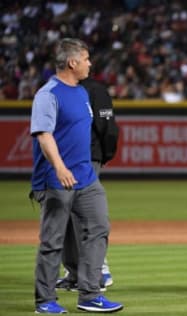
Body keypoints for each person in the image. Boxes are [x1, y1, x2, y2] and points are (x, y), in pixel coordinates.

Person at [30, 38, 123, 313]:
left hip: (86, 178)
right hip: (57, 179)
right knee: (53, 241)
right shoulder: (48, 94)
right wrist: (59, 167)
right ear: (72, 62)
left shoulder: (82, 93)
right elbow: (44, 136)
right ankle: (45, 301)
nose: (89, 63)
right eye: (86, 58)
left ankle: (90, 294)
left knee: (99, 228)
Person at [55, 76, 119, 292]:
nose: (88, 63)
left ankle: (100, 272)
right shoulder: (56, 90)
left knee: (85, 216)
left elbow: (107, 127)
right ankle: (73, 273)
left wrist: (103, 155)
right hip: (62, 160)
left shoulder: (94, 90)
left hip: (86, 158)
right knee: (65, 216)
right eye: (85, 59)